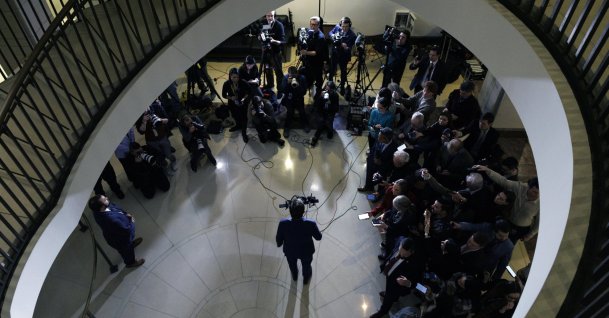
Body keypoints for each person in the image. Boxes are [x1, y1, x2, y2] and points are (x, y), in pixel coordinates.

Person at [474, 165, 539, 242]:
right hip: (507, 220)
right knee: (493, 238)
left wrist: (529, 236)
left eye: (539, 193)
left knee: (508, 243)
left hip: (521, 228)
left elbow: (539, 222)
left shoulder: (542, 204)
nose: (537, 195)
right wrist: (488, 171)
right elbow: (504, 181)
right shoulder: (520, 187)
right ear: (529, 187)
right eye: (534, 192)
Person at [370, 237, 425, 318]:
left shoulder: (416, 264)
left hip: (397, 285)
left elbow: (417, 283)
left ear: (411, 252)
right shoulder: (400, 240)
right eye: (400, 249)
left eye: (404, 253)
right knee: (389, 291)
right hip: (390, 274)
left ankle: (382, 312)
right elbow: (392, 252)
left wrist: (407, 283)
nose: (400, 253)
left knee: (389, 298)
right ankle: (392, 297)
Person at [88, 194, 144, 268]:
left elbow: (117, 209)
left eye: (104, 197)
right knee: (126, 251)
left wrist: (126, 214)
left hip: (118, 234)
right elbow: (125, 230)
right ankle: (130, 262)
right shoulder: (110, 219)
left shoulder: (98, 210)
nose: (107, 198)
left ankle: (131, 244)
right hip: (120, 239)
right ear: (102, 207)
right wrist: (131, 221)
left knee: (127, 246)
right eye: (105, 199)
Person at [276, 198, 322, 284]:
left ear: (290, 211)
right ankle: (306, 278)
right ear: (303, 211)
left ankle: (294, 276)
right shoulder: (311, 224)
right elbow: (318, 237)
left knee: (292, 265)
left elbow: (279, 240)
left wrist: (279, 244)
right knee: (306, 265)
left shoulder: (283, 224)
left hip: (290, 251)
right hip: (306, 252)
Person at [135, 100, 177, 174]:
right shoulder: (138, 116)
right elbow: (141, 131)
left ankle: (173, 161)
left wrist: (158, 120)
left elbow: (167, 119)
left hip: (162, 136)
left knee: (168, 153)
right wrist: (144, 122)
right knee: (159, 156)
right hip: (151, 141)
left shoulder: (156, 107)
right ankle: (165, 169)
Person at [300, 16, 328, 97]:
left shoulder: (320, 37)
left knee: (318, 79)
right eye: (311, 24)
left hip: (317, 62)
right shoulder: (310, 31)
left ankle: (318, 95)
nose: (312, 26)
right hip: (308, 61)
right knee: (306, 75)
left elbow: (316, 53)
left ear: (318, 25)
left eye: (315, 25)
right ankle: (308, 86)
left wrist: (305, 52)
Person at [222, 67, 251, 143]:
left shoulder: (243, 82)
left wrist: (243, 99)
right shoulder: (227, 84)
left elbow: (249, 92)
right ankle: (238, 125)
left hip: (242, 102)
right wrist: (231, 97)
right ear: (230, 76)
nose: (236, 79)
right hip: (232, 103)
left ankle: (244, 132)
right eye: (234, 77)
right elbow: (223, 95)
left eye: (237, 77)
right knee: (235, 115)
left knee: (244, 117)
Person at [328, 17, 356, 90]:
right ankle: (329, 85)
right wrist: (333, 36)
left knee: (343, 71)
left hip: (344, 55)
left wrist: (346, 47)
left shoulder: (353, 35)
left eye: (346, 26)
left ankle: (342, 86)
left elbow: (349, 48)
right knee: (332, 69)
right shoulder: (337, 27)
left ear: (349, 25)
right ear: (340, 25)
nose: (344, 28)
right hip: (335, 53)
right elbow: (330, 33)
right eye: (343, 26)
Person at [281, 66, 309, 138]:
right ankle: (286, 128)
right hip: (289, 98)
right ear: (288, 74)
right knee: (289, 112)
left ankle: (305, 124)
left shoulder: (302, 78)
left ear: (297, 73)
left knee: (302, 111)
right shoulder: (285, 78)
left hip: (299, 98)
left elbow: (304, 92)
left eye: (295, 75)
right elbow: (283, 91)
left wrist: (298, 86)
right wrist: (288, 83)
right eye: (291, 75)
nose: (293, 77)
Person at [260, 11, 285, 89]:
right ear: (266, 16)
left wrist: (274, 41)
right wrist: (260, 37)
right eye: (268, 16)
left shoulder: (279, 25)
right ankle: (270, 85)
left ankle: (280, 89)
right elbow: (261, 34)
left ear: (274, 16)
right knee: (267, 70)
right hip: (266, 52)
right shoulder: (264, 23)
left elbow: (282, 41)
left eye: (272, 16)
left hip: (275, 52)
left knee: (278, 72)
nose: (270, 18)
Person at [310, 81, 339, 147]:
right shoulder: (322, 93)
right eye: (327, 88)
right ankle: (315, 137)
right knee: (321, 124)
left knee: (329, 126)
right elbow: (317, 105)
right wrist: (321, 97)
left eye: (330, 89)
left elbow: (336, 108)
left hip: (330, 112)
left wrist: (329, 104)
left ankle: (329, 130)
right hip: (322, 112)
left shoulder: (335, 95)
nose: (328, 91)